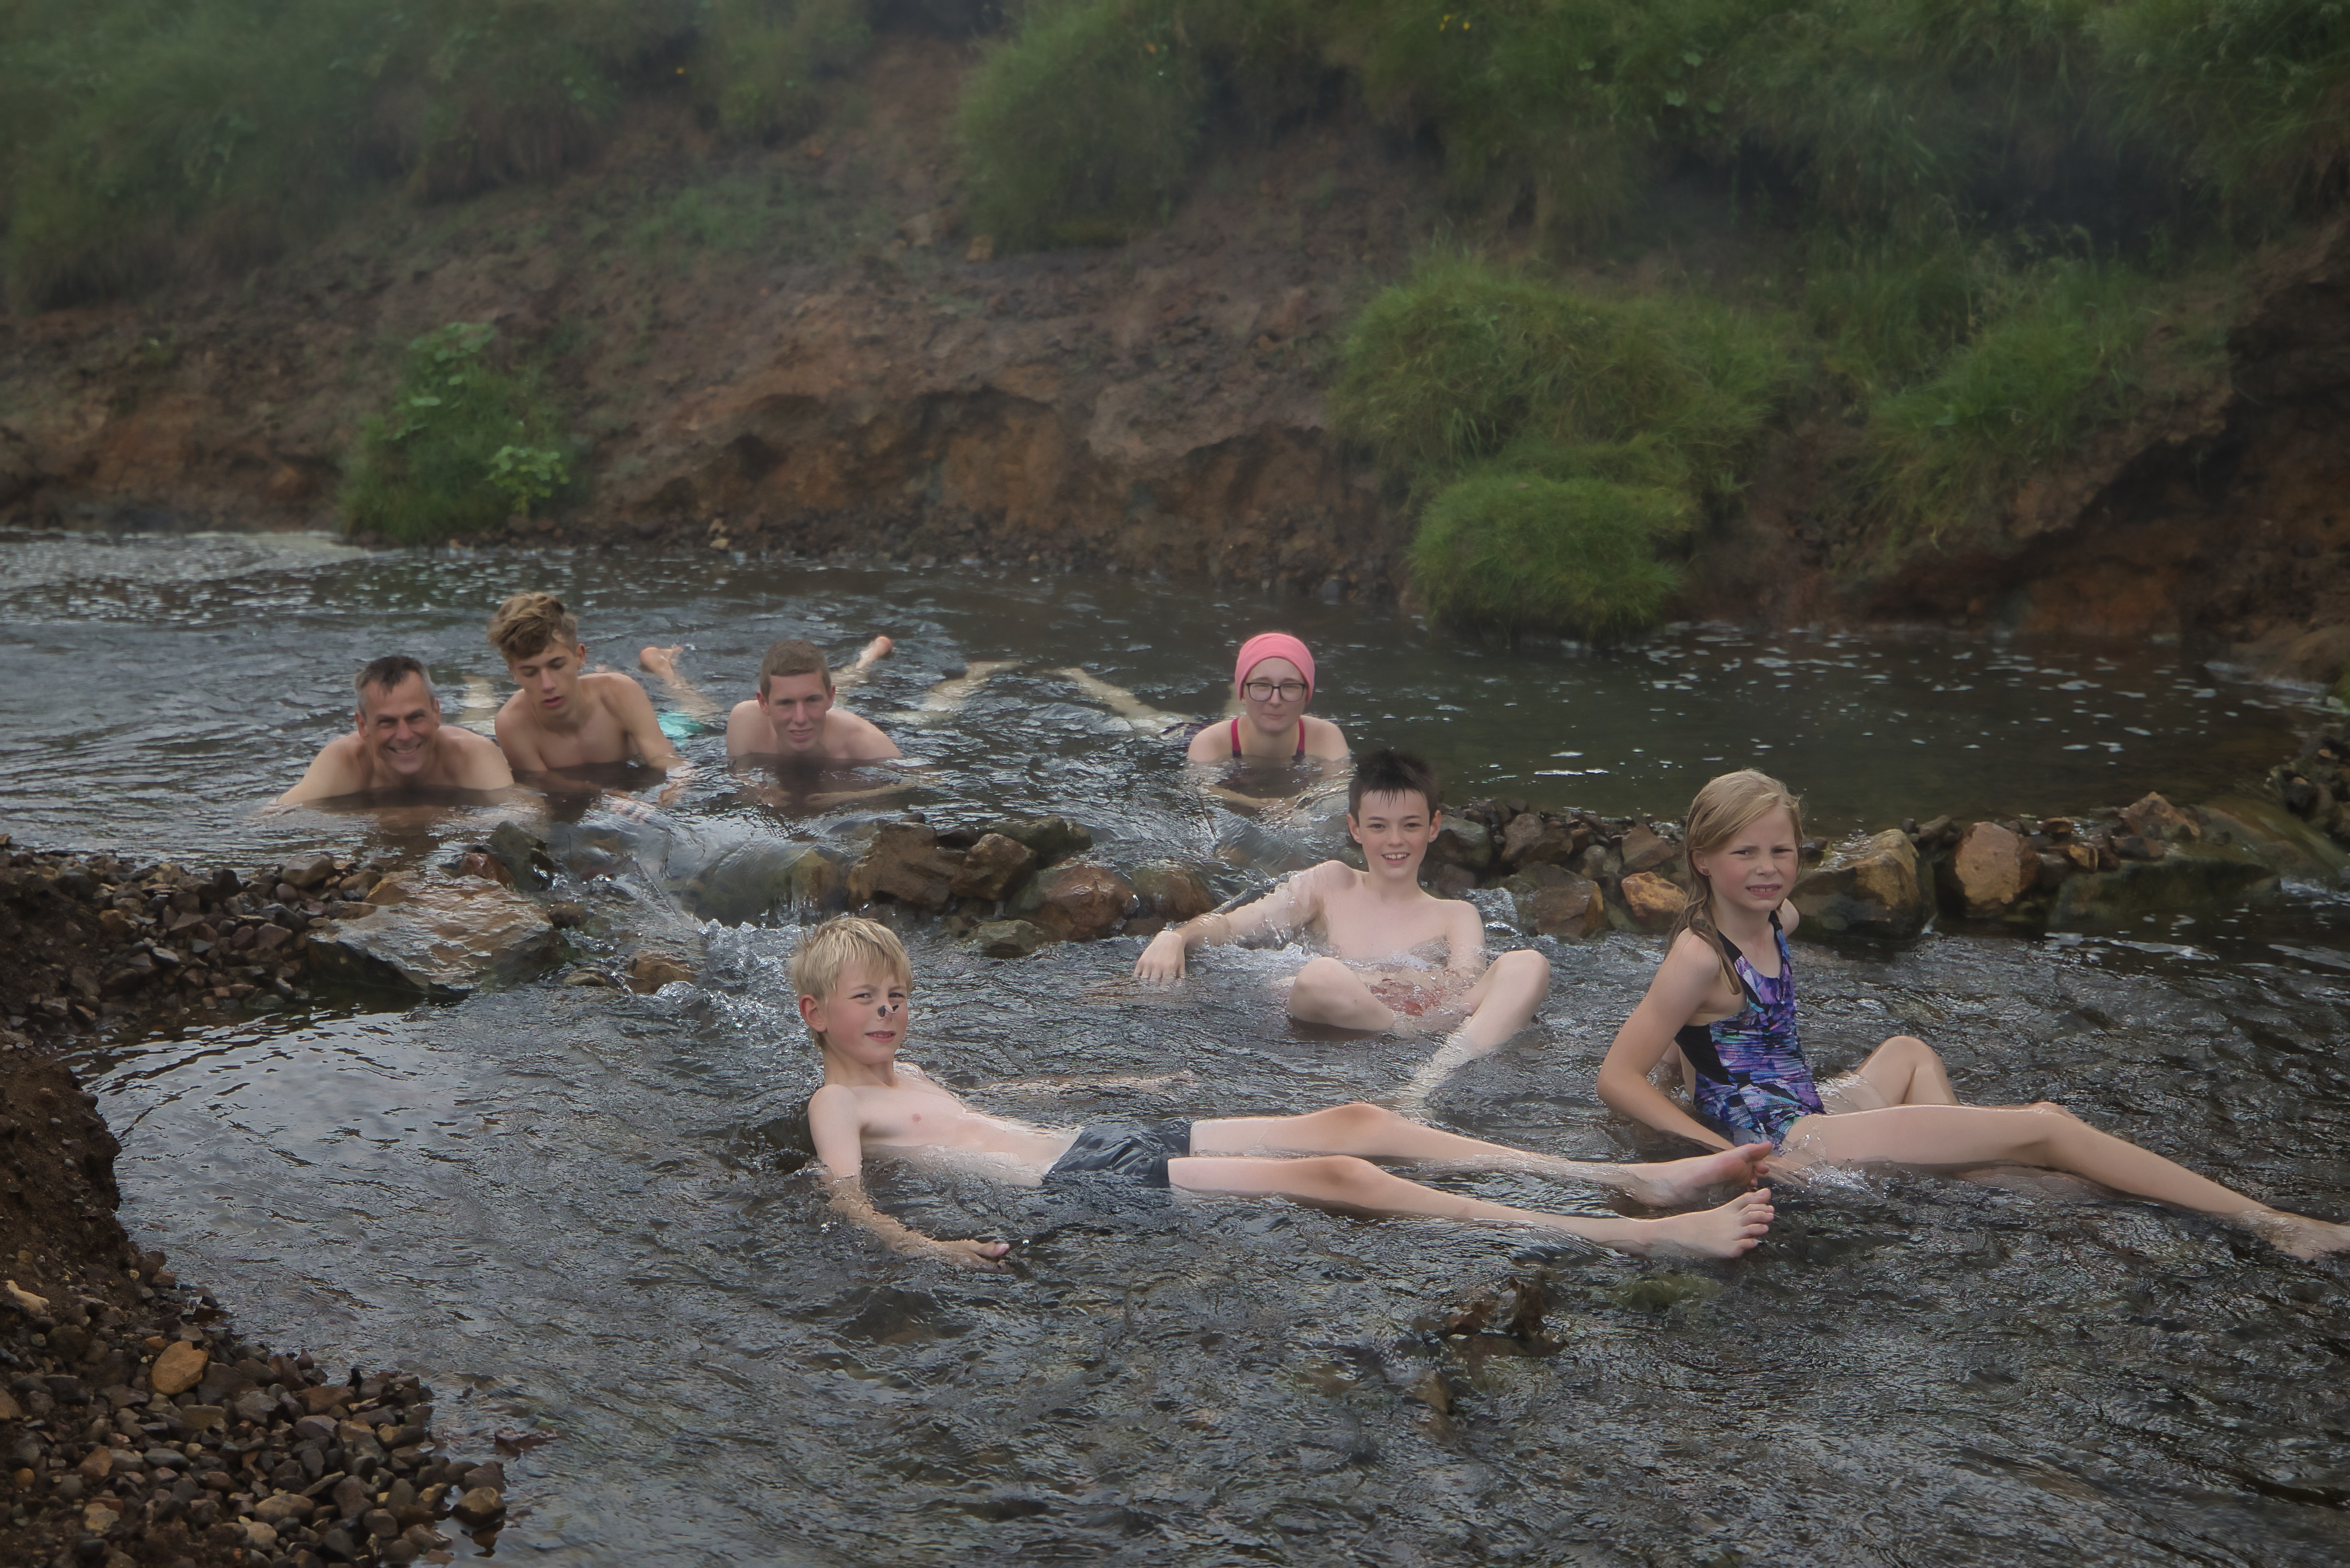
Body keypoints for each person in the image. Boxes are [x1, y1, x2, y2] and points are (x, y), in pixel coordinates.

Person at [1595, 769, 2350, 1259]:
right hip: (1792, 1137)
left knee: (1907, 1050)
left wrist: (1683, 1073)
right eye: (1744, 854)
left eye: (1781, 851)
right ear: (1700, 859)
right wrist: (1723, 1153)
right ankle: (2272, 1223)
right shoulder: (1699, 955)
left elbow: (1685, 1039)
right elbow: (1615, 1077)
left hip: (1802, 1105)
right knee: (2048, 1123)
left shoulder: (1778, 918)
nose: (1767, 869)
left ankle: (1968, 1174)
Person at [795, 916, 1776, 1269]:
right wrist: (930, 1247)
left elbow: (991, 1101)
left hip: (1096, 1134)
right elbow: (845, 1197)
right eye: (865, 1000)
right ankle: (1631, 1236)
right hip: (1075, 1179)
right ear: (814, 1014)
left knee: (1359, 1119)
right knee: (1338, 1171)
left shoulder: (905, 1074)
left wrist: (1124, 1081)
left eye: (896, 996)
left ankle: (1615, 1179)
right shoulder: (835, 1104)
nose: (887, 1012)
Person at [1134, 750, 1551, 1112]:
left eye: (1410, 825)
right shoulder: (1331, 883)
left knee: (1529, 964)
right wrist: (1176, 936)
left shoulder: (1456, 915)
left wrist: (1387, 985)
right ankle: (1402, 1037)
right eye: (1378, 826)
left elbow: (1463, 988)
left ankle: (1422, 1087)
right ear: (1355, 828)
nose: (1395, 840)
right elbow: (1231, 925)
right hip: (1345, 1011)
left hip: (1422, 1033)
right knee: (1320, 977)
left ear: (1433, 826)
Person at [487, 592, 685, 778]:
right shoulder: (513, 724)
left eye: (557, 666)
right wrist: (606, 796)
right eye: (530, 673)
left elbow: (667, 762)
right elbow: (544, 785)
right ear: (514, 672)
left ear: (580, 656)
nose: (547, 685)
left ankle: (663, 669)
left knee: (696, 715)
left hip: (657, 723)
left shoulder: (619, 693)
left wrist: (672, 790)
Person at [275, 656, 514, 805]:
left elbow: (518, 817)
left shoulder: (473, 754)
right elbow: (271, 819)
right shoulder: (345, 762)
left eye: (415, 717)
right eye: (387, 722)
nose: (405, 736)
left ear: (436, 713)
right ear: (362, 726)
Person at [718, 637, 902, 762]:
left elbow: (909, 784)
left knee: (852, 677)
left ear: (830, 698)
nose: (800, 718)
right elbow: (743, 790)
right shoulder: (746, 723)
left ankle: (868, 658)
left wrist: (834, 799)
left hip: (834, 717)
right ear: (764, 704)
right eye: (786, 703)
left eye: (812, 700)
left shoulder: (865, 742)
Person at [1184, 632, 1349, 765]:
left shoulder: (1325, 736)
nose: (1275, 701)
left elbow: (1338, 792)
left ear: (1307, 694)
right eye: (1262, 685)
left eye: (1290, 686)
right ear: (1243, 692)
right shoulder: (1209, 742)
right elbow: (1205, 791)